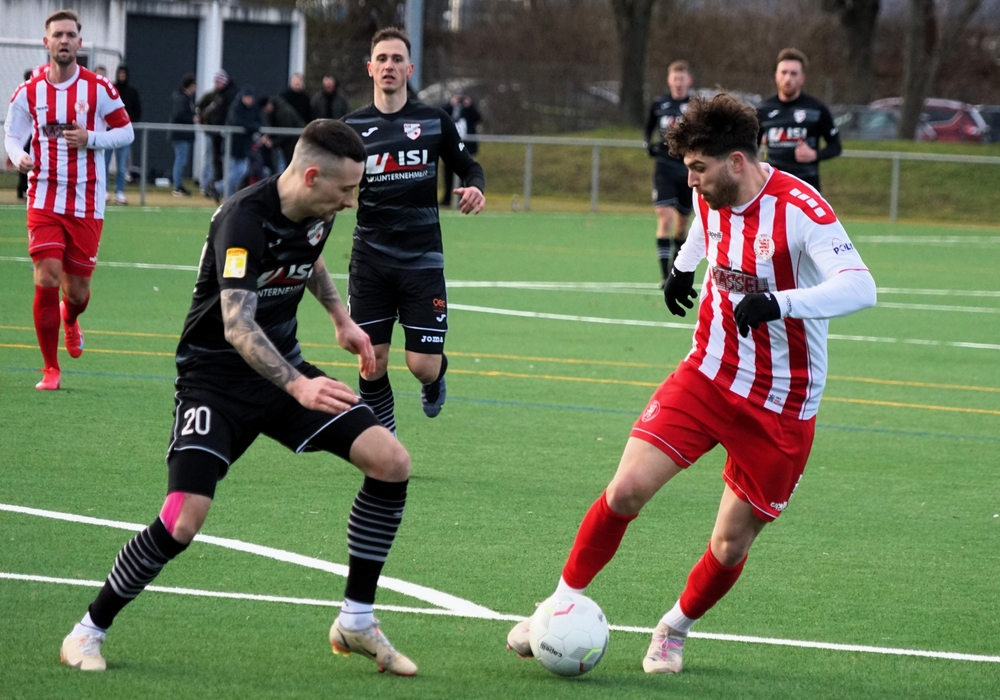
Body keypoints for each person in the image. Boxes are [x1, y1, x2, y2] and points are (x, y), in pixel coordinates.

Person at [505, 94, 876, 674]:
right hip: (707, 373)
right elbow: (704, 228)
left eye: (699, 168)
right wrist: (682, 266)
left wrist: (779, 303)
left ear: (736, 161)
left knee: (730, 544)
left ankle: (673, 629)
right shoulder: (711, 194)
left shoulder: (801, 209)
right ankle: (556, 605)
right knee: (625, 490)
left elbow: (860, 287)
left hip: (781, 403)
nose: (690, 181)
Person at [59, 119, 419, 677]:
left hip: (284, 371)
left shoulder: (318, 210)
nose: (352, 202)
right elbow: (237, 326)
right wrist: (298, 385)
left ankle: (356, 619)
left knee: (391, 461)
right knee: (183, 518)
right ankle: (87, 630)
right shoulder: (242, 220)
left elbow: (309, 256)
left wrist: (339, 316)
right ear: (312, 175)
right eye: (346, 189)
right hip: (215, 382)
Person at [343, 28, 485, 433]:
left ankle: (436, 376)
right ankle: (385, 442)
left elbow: (469, 166)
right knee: (371, 362)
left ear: (410, 68)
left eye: (397, 59)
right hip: (370, 260)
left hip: (422, 260)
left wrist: (475, 187)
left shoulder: (433, 121)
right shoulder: (350, 128)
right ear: (370, 68)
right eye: (381, 59)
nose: (389, 65)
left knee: (422, 366)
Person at [3, 9, 134, 391]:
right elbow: (13, 135)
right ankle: (50, 368)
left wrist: (91, 138)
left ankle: (71, 319)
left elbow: (126, 132)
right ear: (46, 42)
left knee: (76, 293)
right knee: (46, 276)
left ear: (79, 42)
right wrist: (19, 155)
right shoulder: (29, 91)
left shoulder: (98, 88)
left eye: (70, 35)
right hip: (43, 196)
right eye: (57, 34)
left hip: (86, 201)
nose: (64, 40)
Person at [757, 48, 841, 192]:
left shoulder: (817, 109)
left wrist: (814, 154)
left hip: (806, 190)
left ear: (802, 78)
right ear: (776, 76)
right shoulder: (763, 110)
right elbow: (750, 148)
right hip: (772, 189)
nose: (788, 78)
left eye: (793, 73)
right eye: (784, 72)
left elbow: (836, 146)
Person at [643, 60, 695, 282]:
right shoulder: (659, 104)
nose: (678, 83)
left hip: (688, 170)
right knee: (665, 218)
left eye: (682, 78)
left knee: (681, 226)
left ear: (688, 81)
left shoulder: (695, 106)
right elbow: (648, 128)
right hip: (664, 167)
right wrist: (648, 144)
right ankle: (665, 275)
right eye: (675, 78)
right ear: (669, 80)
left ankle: (675, 268)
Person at [196, 69, 237, 201]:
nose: (216, 84)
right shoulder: (214, 95)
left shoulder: (229, 95)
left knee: (228, 163)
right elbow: (200, 108)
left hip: (224, 135)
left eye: (219, 82)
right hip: (214, 133)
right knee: (213, 159)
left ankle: (219, 187)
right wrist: (203, 121)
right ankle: (212, 186)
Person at [104, 64, 141, 204]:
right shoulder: (112, 89)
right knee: (104, 163)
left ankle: (119, 192)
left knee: (121, 166)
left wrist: (128, 123)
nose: (121, 76)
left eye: (123, 74)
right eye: (120, 73)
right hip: (109, 131)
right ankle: (103, 191)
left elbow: (137, 110)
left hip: (123, 132)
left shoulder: (132, 92)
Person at [219, 84, 263, 196]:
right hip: (231, 147)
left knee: (241, 172)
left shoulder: (254, 109)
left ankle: (217, 187)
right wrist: (251, 127)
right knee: (232, 173)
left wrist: (250, 127)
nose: (248, 100)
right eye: (246, 97)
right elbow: (236, 121)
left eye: (250, 97)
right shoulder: (235, 107)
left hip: (244, 148)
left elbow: (260, 123)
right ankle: (226, 197)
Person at [439, 93, 481, 207]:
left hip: (467, 146)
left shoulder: (468, 109)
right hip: (449, 146)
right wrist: (450, 104)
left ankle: (463, 199)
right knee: (448, 173)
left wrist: (470, 106)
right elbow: (440, 115)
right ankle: (447, 198)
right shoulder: (449, 109)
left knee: (465, 172)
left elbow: (477, 118)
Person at [260, 94, 305, 174]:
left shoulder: (283, 112)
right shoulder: (274, 112)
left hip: (293, 144)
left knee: (287, 167)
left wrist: (273, 142)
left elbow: (286, 132)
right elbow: (276, 128)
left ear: (268, 105)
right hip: (287, 145)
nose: (265, 112)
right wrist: (268, 136)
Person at [169, 73, 197, 196]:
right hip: (180, 135)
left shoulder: (183, 98)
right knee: (180, 160)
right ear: (190, 86)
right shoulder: (181, 98)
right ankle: (177, 186)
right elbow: (179, 115)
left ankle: (178, 185)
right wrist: (192, 118)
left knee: (181, 160)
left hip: (182, 135)